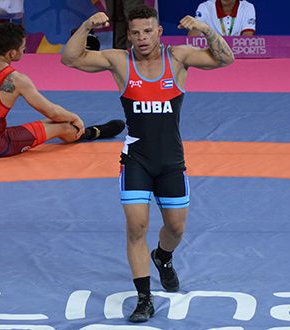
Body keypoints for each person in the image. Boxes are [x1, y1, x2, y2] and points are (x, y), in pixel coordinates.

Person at [61, 5, 233, 322]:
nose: (142, 38)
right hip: (136, 159)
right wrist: (86, 26)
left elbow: (225, 59)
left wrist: (207, 29)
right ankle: (144, 298)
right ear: (129, 35)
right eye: (136, 32)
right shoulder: (119, 62)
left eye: (148, 31)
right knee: (136, 228)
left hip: (171, 162)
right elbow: (69, 59)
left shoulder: (178, 58)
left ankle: (162, 257)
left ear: (159, 32)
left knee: (175, 228)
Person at [0, 22, 125, 158]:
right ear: (12, 54)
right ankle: (89, 132)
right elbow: (52, 112)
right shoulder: (16, 79)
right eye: (23, 48)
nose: (25, 51)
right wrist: (75, 117)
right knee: (65, 125)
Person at [189, 0, 256, 37]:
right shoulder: (205, 7)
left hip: (237, 55)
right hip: (209, 53)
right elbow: (192, 37)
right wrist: (195, 26)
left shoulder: (248, 7)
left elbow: (247, 39)